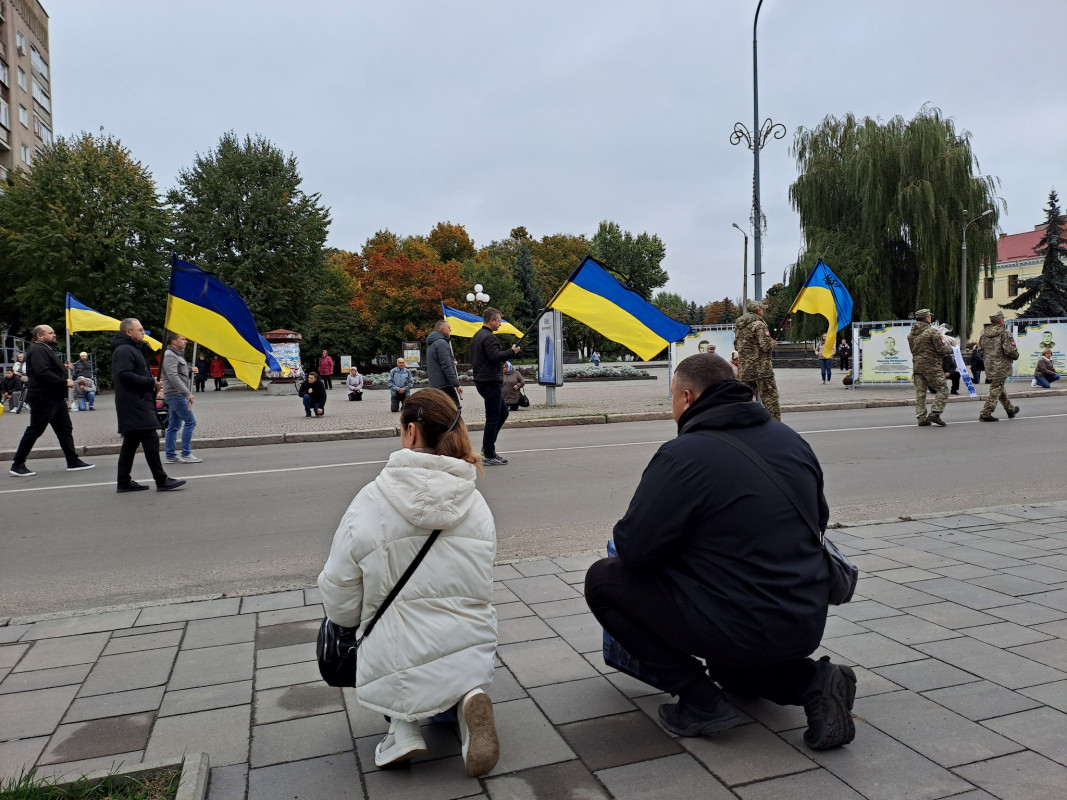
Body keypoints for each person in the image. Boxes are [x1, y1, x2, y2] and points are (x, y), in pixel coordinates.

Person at [584, 353, 855, 750]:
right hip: (803, 619)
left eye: (672, 398)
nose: (671, 408)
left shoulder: (684, 455)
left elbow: (636, 550)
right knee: (734, 673)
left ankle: (700, 700)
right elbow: (819, 520)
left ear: (688, 398)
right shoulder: (789, 439)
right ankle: (814, 682)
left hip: (736, 623)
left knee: (603, 579)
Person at [317, 389, 499, 776]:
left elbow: (340, 586)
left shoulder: (370, 500)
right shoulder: (475, 501)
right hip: (469, 640)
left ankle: (402, 729)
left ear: (412, 432)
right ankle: (468, 697)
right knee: (448, 637)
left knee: (383, 634)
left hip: (396, 650)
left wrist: (346, 624)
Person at [110, 319, 185, 493]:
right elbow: (124, 375)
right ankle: (161, 480)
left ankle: (123, 482)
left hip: (137, 402)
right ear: (129, 332)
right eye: (140, 330)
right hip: (135, 404)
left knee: (130, 444)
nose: (143, 332)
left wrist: (150, 385)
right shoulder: (124, 350)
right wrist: (150, 382)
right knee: (150, 439)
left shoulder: (132, 348)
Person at [9, 326, 95, 477]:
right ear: (40, 336)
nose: (54, 335)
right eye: (51, 333)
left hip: (54, 397)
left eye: (54, 332)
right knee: (35, 429)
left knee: (64, 428)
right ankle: (17, 464)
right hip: (43, 397)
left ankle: (73, 461)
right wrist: (64, 382)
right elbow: (43, 372)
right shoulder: (37, 350)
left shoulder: (45, 348)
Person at [471, 307, 521, 464]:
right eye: (498, 321)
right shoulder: (489, 338)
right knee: (493, 418)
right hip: (490, 382)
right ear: (491, 320)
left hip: (483, 380)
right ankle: (488, 453)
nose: (500, 324)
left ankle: (488, 447)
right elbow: (495, 357)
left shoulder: (477, 336)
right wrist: (512, 352)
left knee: (503, 413)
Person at [734, 300, 780, 421]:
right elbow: (765, 346)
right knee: (770, 400)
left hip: (745, 370)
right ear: (758, 311)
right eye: (762, 309)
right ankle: (775, 427)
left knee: (743, 400)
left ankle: (742, 424)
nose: (763, 311)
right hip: (762, 369)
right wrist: (773, 343)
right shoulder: (759, 325)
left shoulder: (739, 326)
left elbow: (736, 346)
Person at [908, 309, 952, 427]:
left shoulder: (911, 334)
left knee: (920, 393)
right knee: (943, 389)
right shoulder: (933, 332)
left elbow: (913, 350)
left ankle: (921, 418)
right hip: (932, 367)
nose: (930, 318)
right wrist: (952, 348)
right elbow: (941, 349)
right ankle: (935, 413)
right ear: (927, 318)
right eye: (929, 316)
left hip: (917, 366)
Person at [162, 332, 201, 464]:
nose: (186, 341)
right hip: (176, 394)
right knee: (190, 422)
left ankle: (171, 455)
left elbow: (178, 372)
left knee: (173, 426)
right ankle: (186, 454)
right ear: (173, 341)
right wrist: (187, 393)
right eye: (183, 339)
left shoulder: (176, 355)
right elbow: (173, 377)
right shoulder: (170, 356)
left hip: (176, 394)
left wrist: (190, 370)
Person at [978, 311, 1020, 422]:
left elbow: (980, 350)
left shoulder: (984, 333)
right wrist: (1016, 356)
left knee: (998, 386)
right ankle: (986, 413)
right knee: (996, 388)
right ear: (1001, 320)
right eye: (1003, 318)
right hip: (1002, 365)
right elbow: (1009, 349)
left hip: (989, 365)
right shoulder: (1004, 332)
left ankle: (1010, 409)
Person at [426, 319, 463, 408]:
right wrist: (457, 384)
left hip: (436, 384)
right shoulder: (441, 343)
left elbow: (438, 361)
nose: (450, 330)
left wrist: (451, 361)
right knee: (455, 410)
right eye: (448, 328)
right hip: (444, 384)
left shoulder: (432, 343)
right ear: (442, 329)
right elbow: (446, 366)